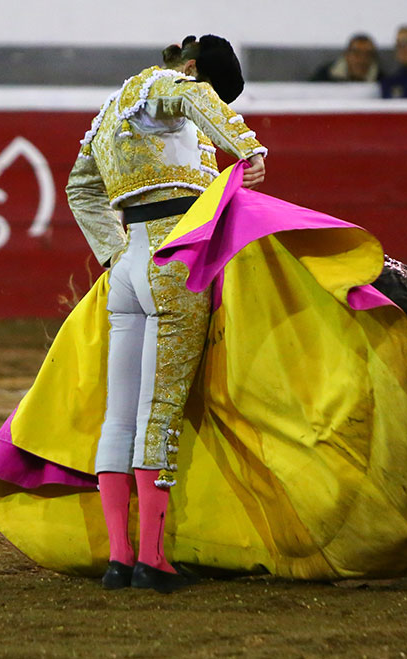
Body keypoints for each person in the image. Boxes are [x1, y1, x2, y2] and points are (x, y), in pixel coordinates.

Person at [64, 34, 266, 593]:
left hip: (129, 264)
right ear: (193, 68)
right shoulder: (166, 84)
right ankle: (152, 559)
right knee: (160, 409)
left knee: (119, 414)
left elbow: (80, 189)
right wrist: (248, 149)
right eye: (210, 90)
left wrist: (113, 255)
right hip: (175, 259)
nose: (210, 105)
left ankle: (118, 558)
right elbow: (190, 98)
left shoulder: (108, 114)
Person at [310, 33, 383, 82]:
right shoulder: (324, 77)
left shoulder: (381, 80)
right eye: (356, 54)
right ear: (346, 55)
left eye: (368, 54)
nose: (362, 60)